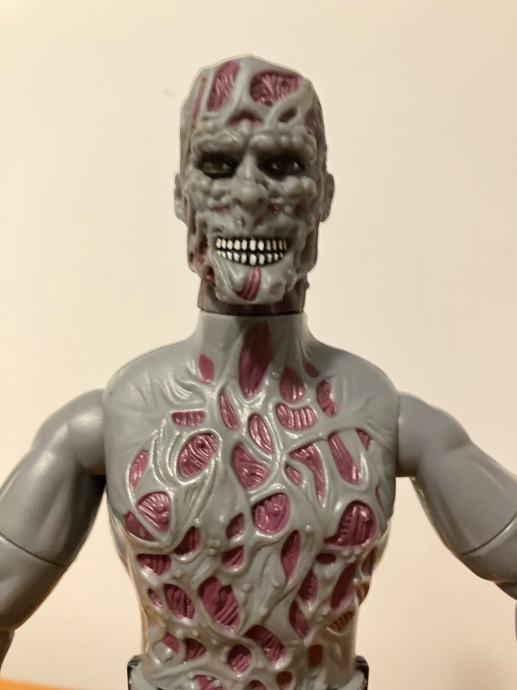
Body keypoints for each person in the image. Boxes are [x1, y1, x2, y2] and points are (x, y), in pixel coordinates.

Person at [0, 56, 515, 690]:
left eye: (282, 165)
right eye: (218, 166)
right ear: (182, 195)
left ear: (323, 195)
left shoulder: (393, 420)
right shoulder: (106, 423)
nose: (249, 196)